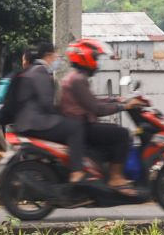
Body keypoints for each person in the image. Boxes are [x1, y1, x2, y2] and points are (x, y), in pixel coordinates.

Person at [61, 38, 145, 196]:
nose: (97, 63)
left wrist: (116, 99)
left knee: (113, 132)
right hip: (82, 126)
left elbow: (92, 101)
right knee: (122, 134)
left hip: (80, 124)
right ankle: (115, 177)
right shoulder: (78, 79)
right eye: (95, 58)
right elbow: (96, 108)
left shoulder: (75, 77)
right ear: (85, 58)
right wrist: (122, 106)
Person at [12, 42, 87, 185]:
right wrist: (61, 116)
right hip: (35, 122)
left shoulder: (32, 70)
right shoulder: (40, 72)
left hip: (27, 122)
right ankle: (76, 172)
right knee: (76, 127)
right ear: (48, 55)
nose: (57, 58)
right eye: (56, 55)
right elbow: (47, 103)